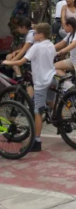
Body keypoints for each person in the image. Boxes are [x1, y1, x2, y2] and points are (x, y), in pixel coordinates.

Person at [3, 23, 56, 153]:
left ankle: (36, 141)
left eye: (35, 33)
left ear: (41, 35)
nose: (33, 35)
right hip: (52, 79)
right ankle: (56, 119)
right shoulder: (51, 45)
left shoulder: (36, 47)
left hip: (41, 82)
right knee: (51, 102)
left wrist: (7, 62)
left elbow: (21, 61)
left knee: (38, 112)